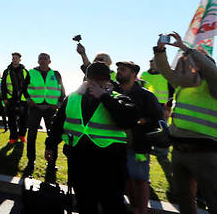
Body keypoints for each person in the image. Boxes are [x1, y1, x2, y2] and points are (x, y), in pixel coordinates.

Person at [45, 62, 138, 214]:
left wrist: (104, 97)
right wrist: (50, 145)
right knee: (85, 204)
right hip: (79, 161)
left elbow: (128, 118)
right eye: (92, 79)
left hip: (109, 164)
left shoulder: (117, 97)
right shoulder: (73, 97)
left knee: (113, 205)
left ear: (108, 81)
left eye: (101, 80)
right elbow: (57, 124)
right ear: (86, 79)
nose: (95, 84)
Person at [154, 32, 217, 214]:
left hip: (205, 154)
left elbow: (209, 68)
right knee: (185, 200)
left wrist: (186, 49)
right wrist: (160, 50)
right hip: (179, 151)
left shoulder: (213, 86)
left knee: (213, 200)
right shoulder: (185, 84)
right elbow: (165, 70)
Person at [114, 61, 162, 214]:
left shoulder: (146, 95)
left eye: (123, 69)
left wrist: (143, 121)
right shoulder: (113, 92)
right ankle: (134, 208)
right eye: (118, 69)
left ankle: (141, 211)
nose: (119, 72)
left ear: (134, 75)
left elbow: (157, 118)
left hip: (139, 146)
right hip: (117, 145)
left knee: (140, 180)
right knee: (126, 180)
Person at [24, 53, 65, 168]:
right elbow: (24, 88)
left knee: (53, 135)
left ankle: (52, 162)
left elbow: (62, 90)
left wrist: (59, 103)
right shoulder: (31, 72)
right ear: (38, 61)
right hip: (35, 108)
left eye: (45, 58)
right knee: (31, 135)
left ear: (49, 61)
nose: (42, 60)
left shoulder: (56, 74)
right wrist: (28, 100)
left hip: (50, 109)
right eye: (40, 58)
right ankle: (31, 160)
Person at [2, 52, 29, 144]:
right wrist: (4, 98)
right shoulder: (7, 71)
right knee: (11, 120)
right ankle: (13, 137)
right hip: (11, 99)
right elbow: (3, 86)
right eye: (13, 58)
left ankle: (22, 135)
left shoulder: (25, 71)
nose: (14, 59)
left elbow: (29, 86)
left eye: (16, 58)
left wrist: (29, 98)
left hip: (23, 100)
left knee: (24, 120)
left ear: (19, 60)